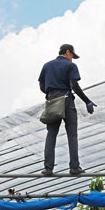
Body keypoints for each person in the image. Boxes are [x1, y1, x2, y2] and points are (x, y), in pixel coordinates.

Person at [38, 44, 96, 175]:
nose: (72, 59)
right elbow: (74, 85)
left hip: (52, 102)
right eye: (72, 56)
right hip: (66, 100)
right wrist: (87, 101)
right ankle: (74, 167)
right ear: (68, 52)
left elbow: (42, 85)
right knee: (72, 134)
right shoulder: (70, 66)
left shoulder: (47, 66)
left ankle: (48, 168)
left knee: (51, 134)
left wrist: (51, 94)